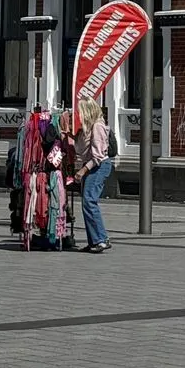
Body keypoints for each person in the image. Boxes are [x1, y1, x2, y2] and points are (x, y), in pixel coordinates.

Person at [76, 99, 114, 254]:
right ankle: (93, 240)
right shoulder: (87, 128)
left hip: (99, 167)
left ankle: (101, 239)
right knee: (86, 203)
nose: (78, 115)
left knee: (89, 201)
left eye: (80, 111)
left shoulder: (98, 126)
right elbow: (80, 149)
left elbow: (97, 156)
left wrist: (83, 170)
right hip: (91, 167)